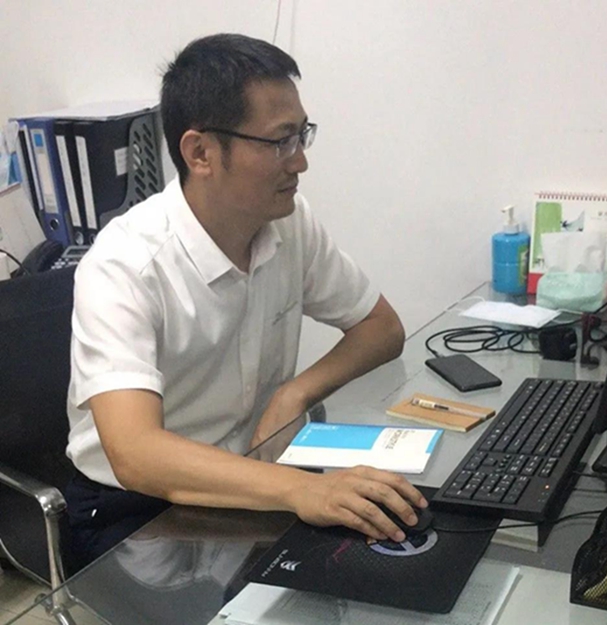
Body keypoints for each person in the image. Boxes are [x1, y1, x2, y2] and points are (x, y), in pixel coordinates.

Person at [64, 33, 427, 566]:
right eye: (280, 141)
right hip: (136, 510)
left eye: (302, 136)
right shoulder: (125, 265)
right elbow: (135, 454)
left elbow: (381, 328)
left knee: (391, 557)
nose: (299, 162)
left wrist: (295, 393)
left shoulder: (288, 224)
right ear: (201, 153)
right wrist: (301, 489)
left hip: (255, 481)